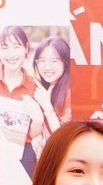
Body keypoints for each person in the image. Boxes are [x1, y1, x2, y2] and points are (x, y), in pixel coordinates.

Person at [0, 25, 42, 158]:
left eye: (16, 46)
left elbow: (34, 135)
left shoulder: (35, 86)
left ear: (26, 49)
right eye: (5, 47)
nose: (11, 54)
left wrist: (37, 120)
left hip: (21, 154)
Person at [23, 36, 71, 177]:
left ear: (66, 62)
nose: (47, 67)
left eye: (54, 61)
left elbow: (67, 140)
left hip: (63, 167)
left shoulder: (70, 93)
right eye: (42, 61)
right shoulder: (44, 90)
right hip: (46, 165)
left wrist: (47, 108)